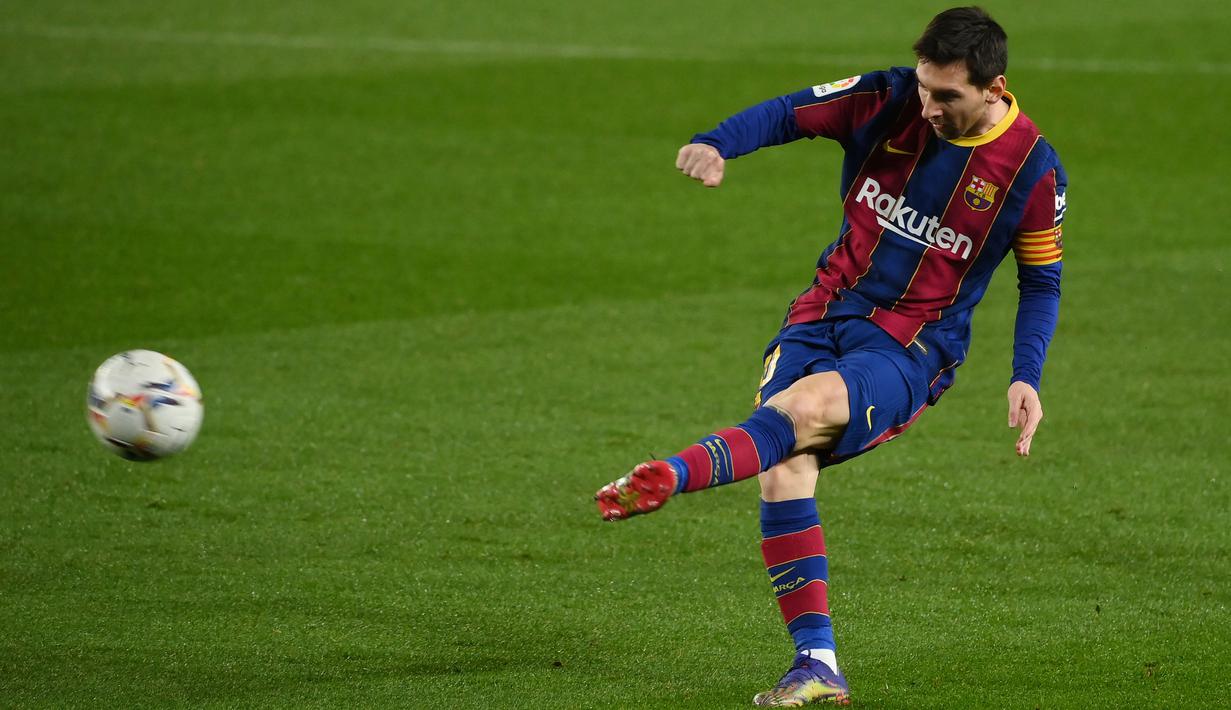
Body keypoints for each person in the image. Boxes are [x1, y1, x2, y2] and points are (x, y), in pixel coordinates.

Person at [594, 6, 1066, 707]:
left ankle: (673, 473)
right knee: (785, 465)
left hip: (913, 345)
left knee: (803, 411)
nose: (927, 106)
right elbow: (789, 113)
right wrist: (717, 143)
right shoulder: (885, 98)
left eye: (947, 96)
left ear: (995, 88)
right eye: (923, 86)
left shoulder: (1030, 170)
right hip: (821, 312)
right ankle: (815, 663)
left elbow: (1041, 280)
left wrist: (1024, 376)